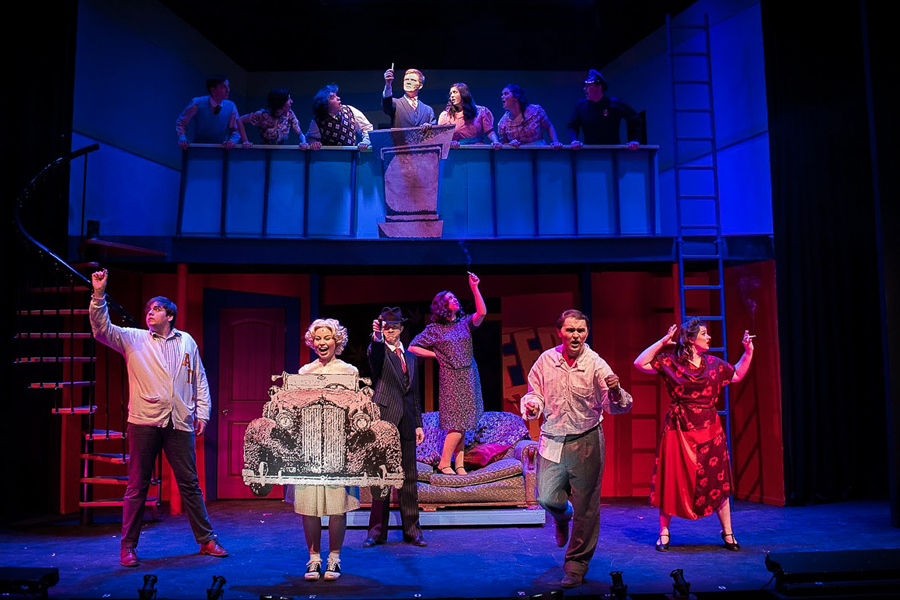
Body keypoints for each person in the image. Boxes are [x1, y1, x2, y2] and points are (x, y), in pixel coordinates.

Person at [89, 269, 228, 568]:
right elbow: (101, 329)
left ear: (170, 315)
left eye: (157, 309)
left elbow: (198, 379)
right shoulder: (133, 339)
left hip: (179, 422)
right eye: (148, 310)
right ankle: (127, 547)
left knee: (190, 484)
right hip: (144, 421)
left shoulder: (187, 341)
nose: (150, 313)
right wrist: (99, 294)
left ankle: (206, 539)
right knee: (137, 486)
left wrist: (202, 412)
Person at [520, 309, 633, 588]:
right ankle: (561, 516)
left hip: (586, 438)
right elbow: (535, 392)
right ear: (560, 332)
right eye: (571, 330)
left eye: (581, 331)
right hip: (554, 438)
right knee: (545, 497)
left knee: (587, 506)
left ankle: (576, 565)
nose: (576, 336)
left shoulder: (595, 363)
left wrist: (616, 390)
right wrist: (533, 405)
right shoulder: (546, 361)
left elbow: (614, 403)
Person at [633, 318, 754, 552]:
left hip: (710, 428)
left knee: (718, 479)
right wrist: (663, 342)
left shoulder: (714, 364)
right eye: (704, 334)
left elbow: (737, 374)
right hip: (678, 429)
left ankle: (728, 532)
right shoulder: (672, 362)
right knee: (672, 479)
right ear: (691, 339)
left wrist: (748, 351)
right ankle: (664, 532)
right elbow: (640, 363)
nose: (709, 337)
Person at [295, 318, 360, 581]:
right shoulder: (304, 373)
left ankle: (334, 558)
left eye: (327, 338)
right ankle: (313, 559)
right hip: (309, 447)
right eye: (318, 338)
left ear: (337, 341)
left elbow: (358, 410)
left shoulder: (349, 371)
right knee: (309, 506)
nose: (322, 343)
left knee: (336, 506)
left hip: (338, 447)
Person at [409, 273, 486, 475]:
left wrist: (475, 287)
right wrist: (435, 354)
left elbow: (482, 312)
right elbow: (412, 348)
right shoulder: (434, 330)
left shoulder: (464, 324)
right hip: (451, 377)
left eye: (455, 297)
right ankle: (445, 462)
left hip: (469, 375)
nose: (455, 300)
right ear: (442, 305)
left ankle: (459, 464)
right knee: (457, 422)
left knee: (465, 422)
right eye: (450, 298)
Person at [363, 307, 426, 548]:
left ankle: (413, 531)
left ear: (401, 329)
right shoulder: (379, 351)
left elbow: (415, 394)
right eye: (386, 327)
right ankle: (376, 532)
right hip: (385, 420)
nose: (390, 331)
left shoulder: (410, 357)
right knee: (381, 476)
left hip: (408, 421)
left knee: (409, 479)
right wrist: (377, 337)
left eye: (394, 327)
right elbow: (376, 354)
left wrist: (418, 423)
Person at [568, 70, 643, 149]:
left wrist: (635, 140)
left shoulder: (614, 103)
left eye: (588, 85)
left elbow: (636, 119)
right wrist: (574, 140)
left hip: (613, 152)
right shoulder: (581, 106)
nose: (584, 89)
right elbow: (572, 126)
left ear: (599, 86)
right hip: (590, 153)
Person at [175, 75, 251, 149]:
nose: (228, 90)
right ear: (213, 90)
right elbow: (181, 122)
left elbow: (236, 130)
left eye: (228, 86)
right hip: (199, 149)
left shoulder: (230, 106)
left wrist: (232, 141)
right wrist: (182, 137)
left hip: (221, 151)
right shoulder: (197, 103)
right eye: (223, 87)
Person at [307, 84, 373, 150]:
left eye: (336, 96)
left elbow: (366, 127)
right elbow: (309, 138)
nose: (338, 98)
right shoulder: (318, 122)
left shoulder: (350, 110)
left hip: (352, 157)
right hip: (330, 158)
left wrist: (365, 142)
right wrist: (313, 142)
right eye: (332, 97)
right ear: (325, 104)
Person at [497, 85, 563, 148]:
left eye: (506, 94)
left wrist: (555, 142)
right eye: (502, 94)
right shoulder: (503, 123)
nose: (502, 97)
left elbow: (548, 126)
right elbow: (504, 143)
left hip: (539, 151)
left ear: (516, 97)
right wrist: (511, 144)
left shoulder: (535, 111)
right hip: (519, 156)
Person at [437, 83, 501, 148]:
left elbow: (489, 131)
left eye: (455, 92)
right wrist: (450, 142)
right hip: (457, 151)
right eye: (451, 94)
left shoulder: (480, 111)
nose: (452, 96)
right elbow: (442, 137)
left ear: (463, 94)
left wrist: (496, 142)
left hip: (478, 150)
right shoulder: (446, 116)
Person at [240, 87, 307, 147]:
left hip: (279, 153)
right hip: (264, 152)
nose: (291, 101)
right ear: (280, 102)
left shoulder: (290, 114)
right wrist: (245, 141)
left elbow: (300, 133)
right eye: (288, 99)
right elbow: (240, 120)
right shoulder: (263, 115)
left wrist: (304, 142)